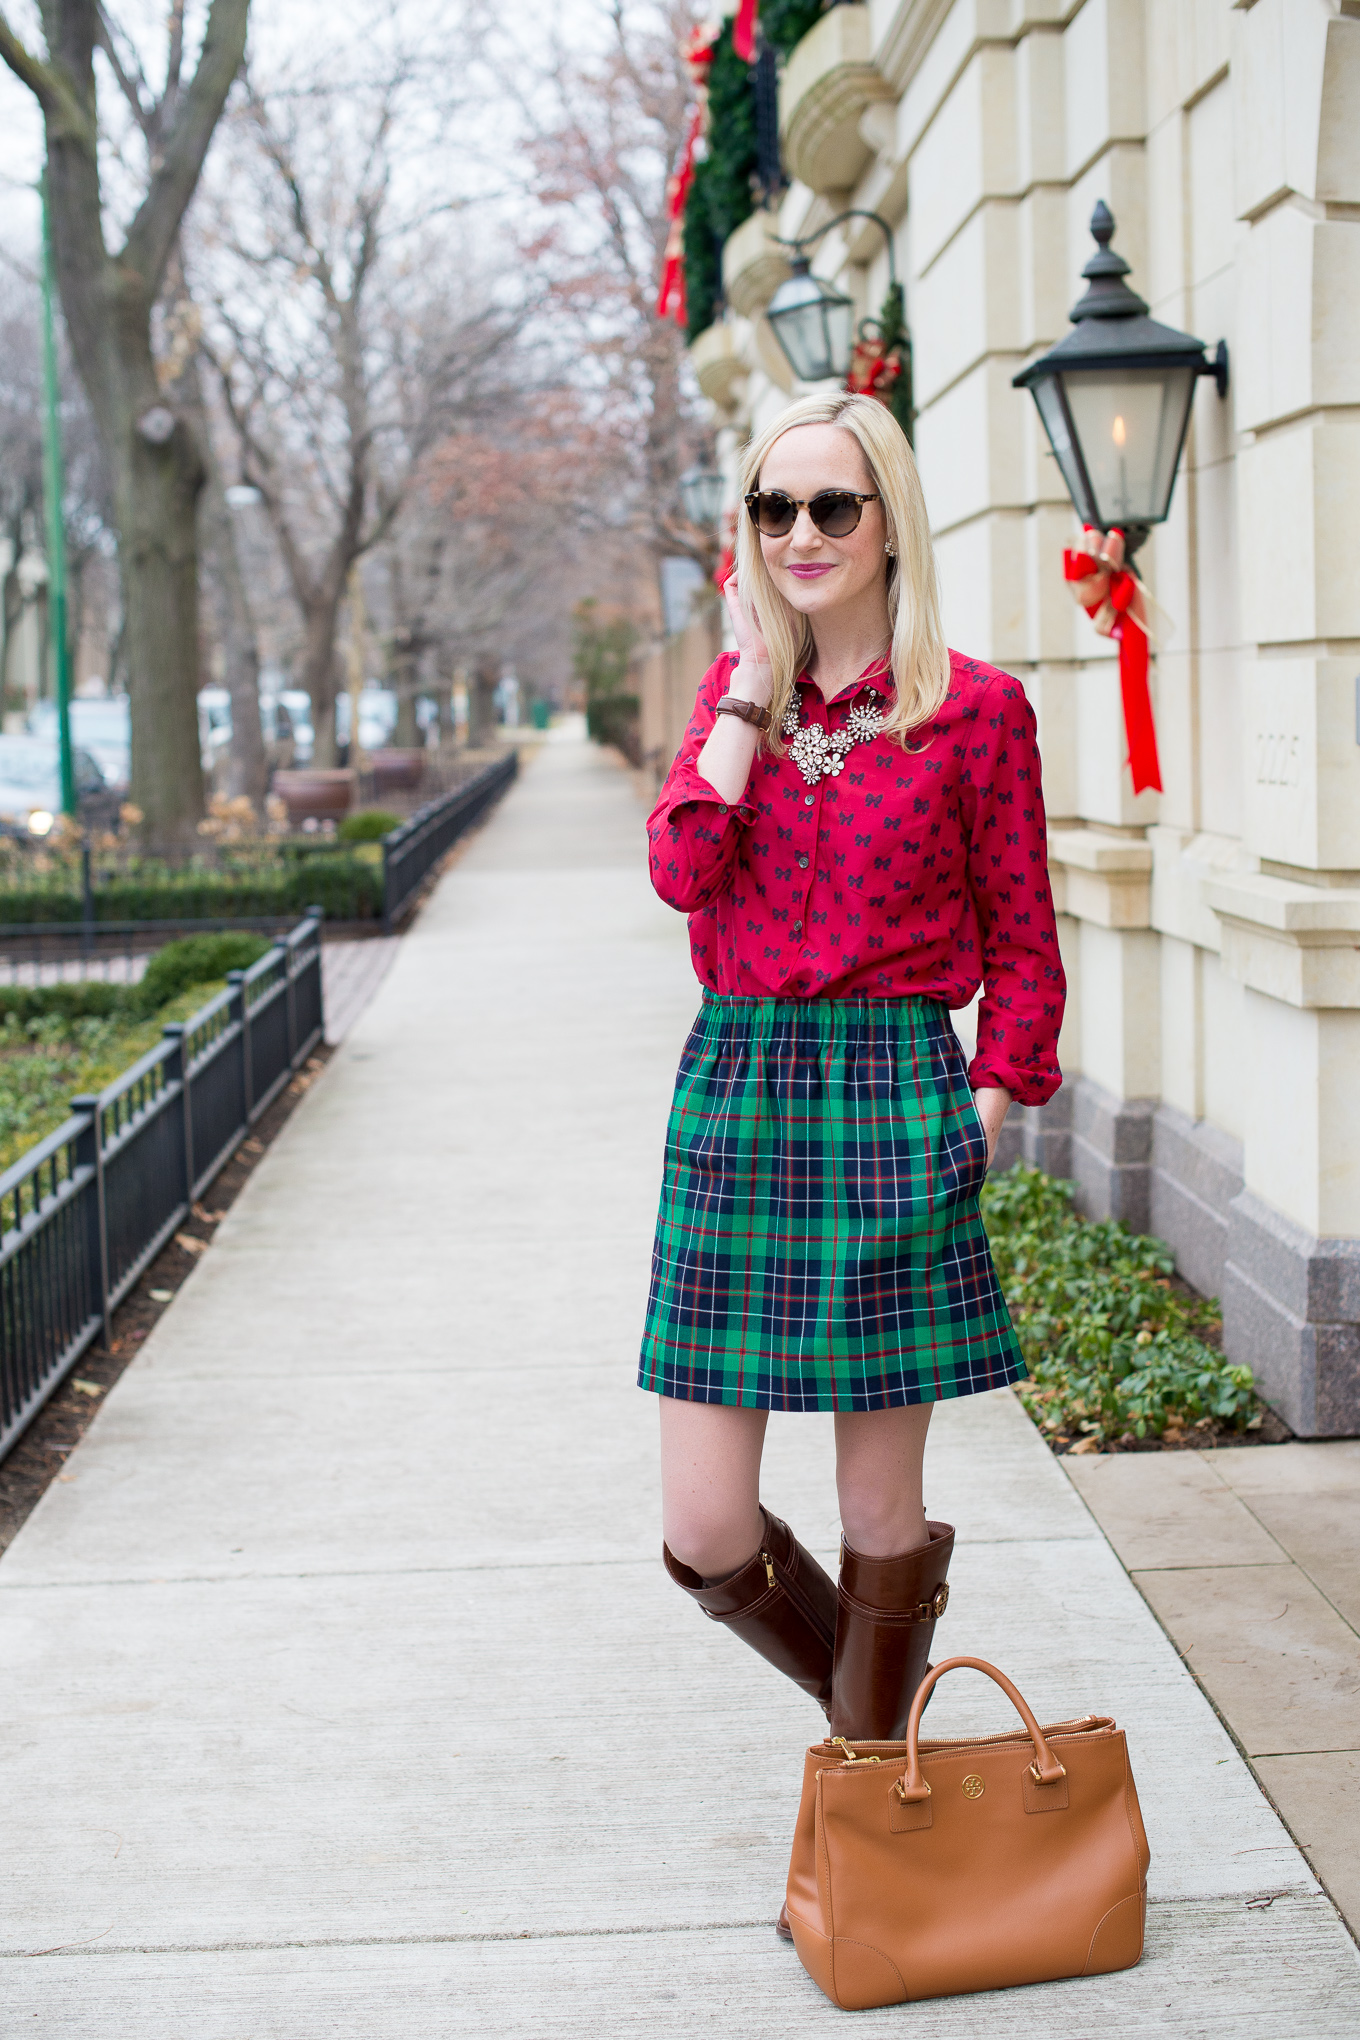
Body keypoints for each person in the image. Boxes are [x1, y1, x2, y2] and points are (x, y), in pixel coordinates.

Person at [639, 392, 1066, 1931]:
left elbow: (1025, 940)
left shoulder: (978, 711)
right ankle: (884, 1763)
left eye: (832, 508)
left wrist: (994, 1100)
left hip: (892, 1094)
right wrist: (751, 699)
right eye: (773, 509)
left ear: (889, 519)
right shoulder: (727, 703)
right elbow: (682, 868)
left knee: (884, 1513)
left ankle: (872, 1825)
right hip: (740, 1095)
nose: (802, 537)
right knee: (703, 1523)